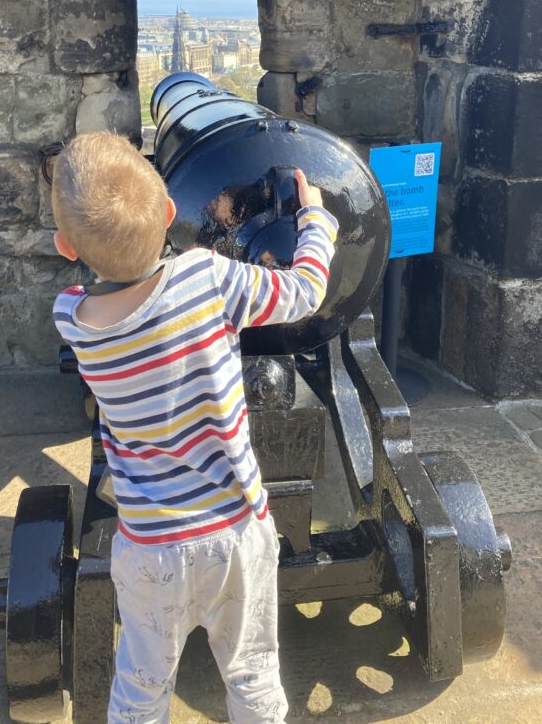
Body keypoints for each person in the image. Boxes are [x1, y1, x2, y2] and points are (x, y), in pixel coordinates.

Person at [50, 132, 338, 724]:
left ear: (63, 245)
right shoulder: (209, 279)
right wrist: (315, 220)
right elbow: (305, 292)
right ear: (170, 213)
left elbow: (91, 289)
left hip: (152, 547)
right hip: (235, 530)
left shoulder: (73, 319)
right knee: (252, 671)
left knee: (141, 685)